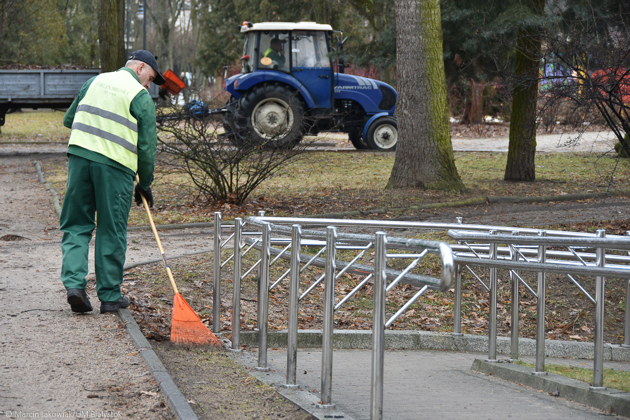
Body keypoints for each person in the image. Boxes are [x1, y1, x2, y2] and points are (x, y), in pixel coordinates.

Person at [60, 50, 165, 314]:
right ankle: (109, 297)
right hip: (115, 168)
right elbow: (147, 147)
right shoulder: (140, 97)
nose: (149, 85)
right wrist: (145, 183)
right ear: (140, 68)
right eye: (150, 78)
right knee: (111, 228)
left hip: (79, 159)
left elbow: (69, 119)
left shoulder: (94, 81)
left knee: (76, 224)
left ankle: (74, 286)